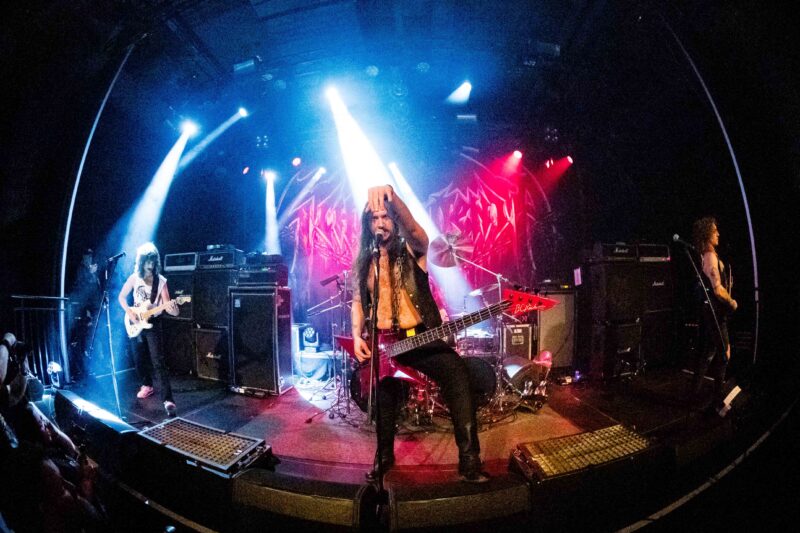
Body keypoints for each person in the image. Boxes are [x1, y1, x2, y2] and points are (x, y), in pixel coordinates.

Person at [351, 184, 488, 483]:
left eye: (386, 217)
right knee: (384, 400)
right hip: (383, 343)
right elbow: (358, 300)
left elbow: (414, 229)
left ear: (394, 219)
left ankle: (469, 460)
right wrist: (357, 335)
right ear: (367, 224)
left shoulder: (413, 249)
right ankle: (384, 456)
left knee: (457, 375)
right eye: (375, 218)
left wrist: (391, 196)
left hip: (419, 338)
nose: (381, 223)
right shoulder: (364, 261)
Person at [117, 243, 179, 417]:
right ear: (141, 261)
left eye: (153, 261)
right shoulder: (134, 278)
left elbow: (169, 307)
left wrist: (174, 309)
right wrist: (130, 313)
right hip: (136, 321)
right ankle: (147, 385)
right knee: (138, 358)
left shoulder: (161, 281)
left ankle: (168, 400)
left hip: (154, 323)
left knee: (158, 361)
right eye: (147, 261)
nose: (150, 265)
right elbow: (121, 297)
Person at [690, 217, 737, 415]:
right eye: (715, 230)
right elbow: (717, 289)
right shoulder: (709, 256)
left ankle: (693, 395)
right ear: (707, 234)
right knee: (724, 354)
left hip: (713, 313)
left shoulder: (709, 255)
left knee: (708, 353)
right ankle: (717, 402)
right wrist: (732, 301)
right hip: (715, 314)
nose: (718, 233)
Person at [69, 248, 101, 379]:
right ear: (83, 257)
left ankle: (90, 368)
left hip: (94, 309)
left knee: (92, 339)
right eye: (87, 256)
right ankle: (82, 370)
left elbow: (96, 289)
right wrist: (90, 274)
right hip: (84, 312)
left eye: (91, 256)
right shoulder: (81, 270)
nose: (89, 258)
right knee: (83, 340)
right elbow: (81, 289)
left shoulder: (90, 270)